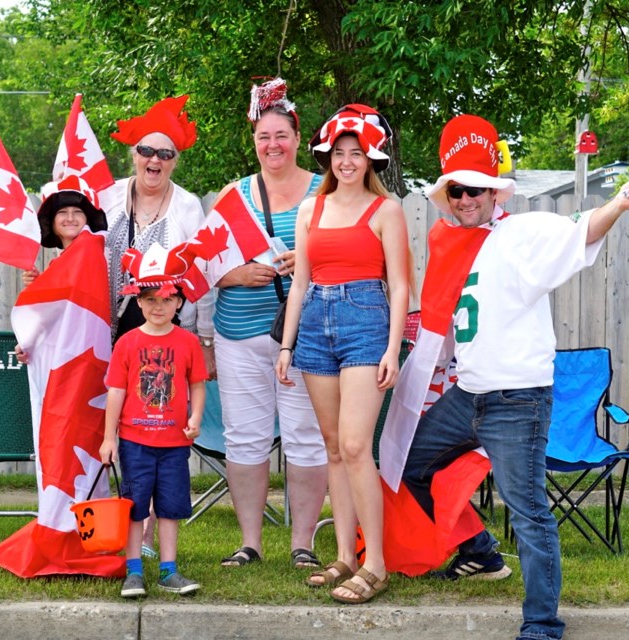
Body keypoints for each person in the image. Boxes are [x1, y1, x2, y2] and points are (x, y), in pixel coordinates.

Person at [399, 114, 629, 639]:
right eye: (456, 190)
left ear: (495, 192)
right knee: (412, 463)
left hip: (517, 401)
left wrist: (618, 203)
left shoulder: (523, 232)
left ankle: (542, 623)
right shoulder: (452, 244)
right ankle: (480, 551)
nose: (466, 199)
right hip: (467, 395)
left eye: (476, 189)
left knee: (530, 512)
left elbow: (580, 230)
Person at [276, 104, 410, 604]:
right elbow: (300, 283)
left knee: (356, 446)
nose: (347, 161)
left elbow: (398, 287)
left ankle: (375, 562)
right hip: (315, 326)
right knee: (332, 447)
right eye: (339, 152)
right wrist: (287, 345)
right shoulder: (311, 209)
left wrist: (393, 349)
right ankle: (344, 557)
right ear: (328, 156)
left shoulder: (387, 211)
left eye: (357, 153)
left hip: (365, 324)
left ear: (371, 159)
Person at [211, 78, 328, 569]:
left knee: (305, 433)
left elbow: (356, 256)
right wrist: (234, 274)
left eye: (281, 135)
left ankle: (302, 542)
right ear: (254, 142)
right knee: (244, 435)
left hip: (305, 333)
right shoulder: (231, 196)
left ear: (298, 139)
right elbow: (204, 265)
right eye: (264, 136)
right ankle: (250, 542)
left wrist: (309, 257)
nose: (273, 145)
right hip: (238, 331)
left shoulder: (327, 191)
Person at [102, 95, 216, 558]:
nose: (155, 160)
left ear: (175, 160)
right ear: (133, 154)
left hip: (168, 329)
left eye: (165, 154)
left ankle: (147, 537)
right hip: (109, 328)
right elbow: (78, 249)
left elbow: (204, 274)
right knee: (115, 427)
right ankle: (110, 525)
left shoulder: (188, 208)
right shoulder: (108, 197)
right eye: (147, 151)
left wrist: (202, 339)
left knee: (156, 421)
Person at [99, 241, 208, 598]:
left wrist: (195, 417)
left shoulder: (188, 342)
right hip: (135, 442)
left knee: (170, 506)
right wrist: (109, 437)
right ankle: (133, 571)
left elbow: (197, 384)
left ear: (178, 302)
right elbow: (116, 391)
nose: (158, 306)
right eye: (150, 300)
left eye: (165, 299)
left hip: (175, 442)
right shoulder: (127, 343)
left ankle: (168, 570)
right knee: (134, 506)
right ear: (139, 302)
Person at [15, 175, 108, 362]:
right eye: (63, 212)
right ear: (53, 223)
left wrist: (29, 339)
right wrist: (40, 284)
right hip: (66, 348)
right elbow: (56, 309)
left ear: (87, 220)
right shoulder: (57, 264)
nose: (70, 218)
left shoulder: (91, 246)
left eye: (78, 212)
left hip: (86, 348)